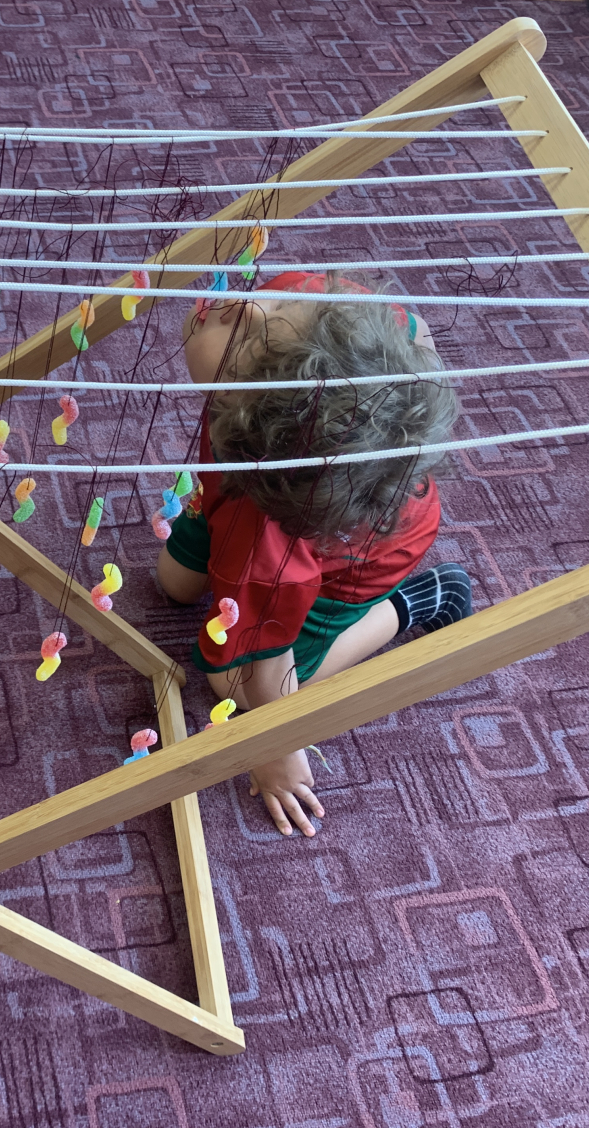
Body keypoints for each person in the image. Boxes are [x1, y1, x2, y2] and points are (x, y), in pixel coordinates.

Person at [157, 271, 472, 836]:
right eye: (276, 307)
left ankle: (418, 602)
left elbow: (269, 654)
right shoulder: (314, 306)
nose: (247, 308)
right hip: (240, 494)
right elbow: (415, 330)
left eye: (244, 351)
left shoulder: (268, 544)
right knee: (174, 584)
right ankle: (219, 542)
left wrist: (276, 748)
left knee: (232, 686)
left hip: (356, 559)